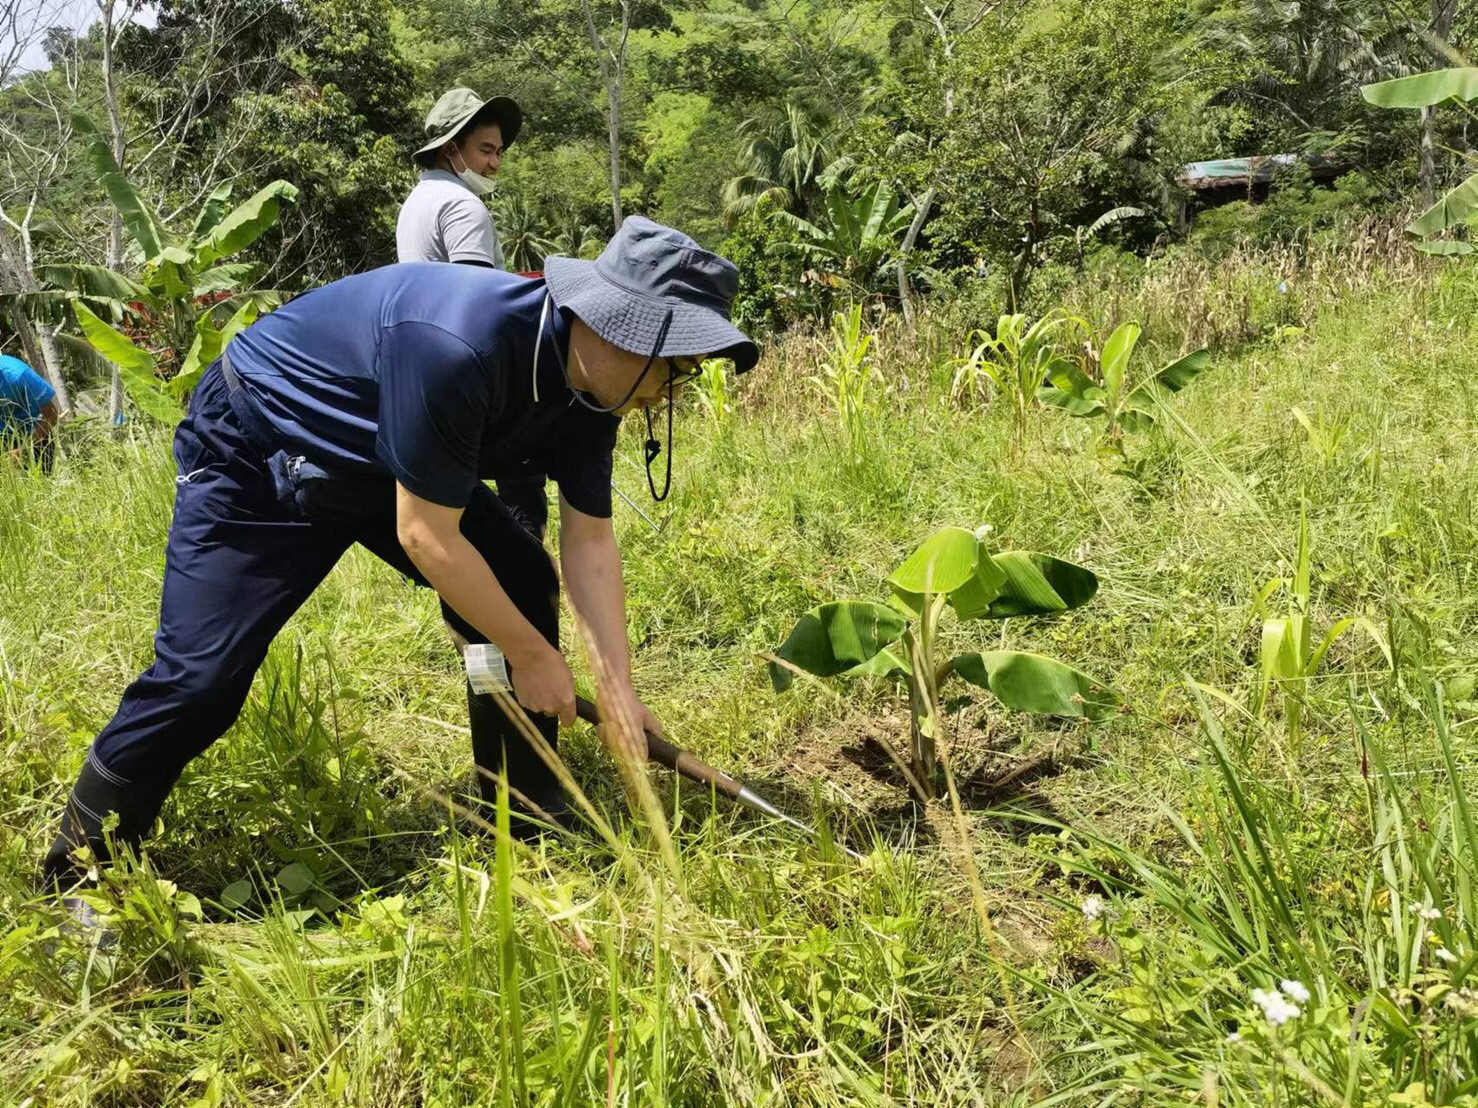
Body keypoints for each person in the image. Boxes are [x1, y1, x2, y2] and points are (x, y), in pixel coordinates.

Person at [42, 216, 759, 890]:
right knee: (200, 681)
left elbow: (590, 542)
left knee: (518, 579)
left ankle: (523, 809)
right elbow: (426, 537)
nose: (674, 390)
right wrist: (536, 659)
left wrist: (619, 687)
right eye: (676, 367)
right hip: (262, 443)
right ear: (619, 326)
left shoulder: (592, 395)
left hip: (384, 460)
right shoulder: (462, 345)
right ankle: (81, 866)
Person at [396, 87, 549, 539]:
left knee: (459, 521)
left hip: (428, 377)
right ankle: (527, 589)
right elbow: (477, 306)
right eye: (485, 150)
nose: (495, 164)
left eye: (499, 152)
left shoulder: (416, 203)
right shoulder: (462, 206)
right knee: (521, 495)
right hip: (472, 377)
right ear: (450, 148)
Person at [0, 352, 61, 470]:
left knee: (39, 483)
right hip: (3, 434)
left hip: (36, 432)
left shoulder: (18, 374)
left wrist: (24, 448)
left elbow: (52, 415)